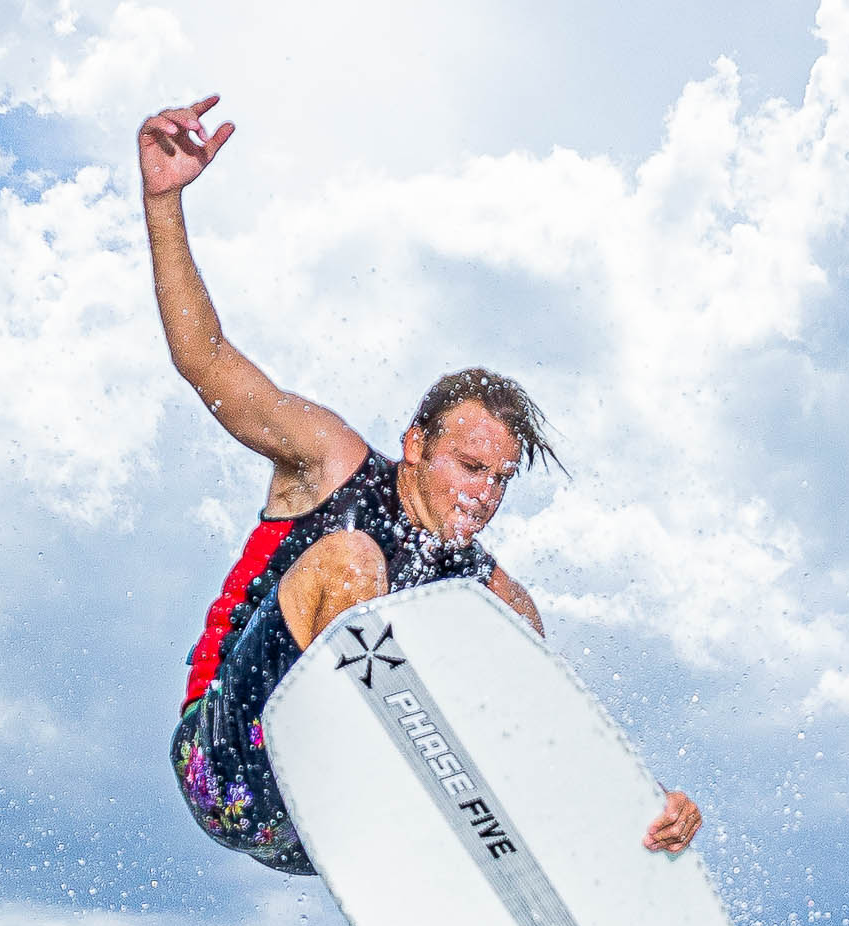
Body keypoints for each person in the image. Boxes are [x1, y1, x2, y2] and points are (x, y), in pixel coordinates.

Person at [139, 94, 699, 876]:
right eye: (470, 469)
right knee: (352, 563)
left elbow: (556, 726)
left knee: (507, 649)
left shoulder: (489, 592)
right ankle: (418, 799)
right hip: (232, 767)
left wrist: (642, 803)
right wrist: (164, 200)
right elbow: (206, 358)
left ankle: (507, 893)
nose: (485, 496)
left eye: (501, 481)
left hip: (326, 832)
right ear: (414, 445)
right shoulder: (333, 464)